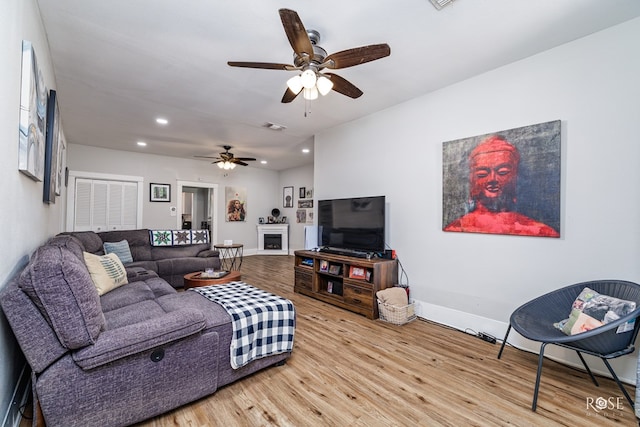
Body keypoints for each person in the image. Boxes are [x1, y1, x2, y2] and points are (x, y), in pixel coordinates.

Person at [444, 135, 559, 237]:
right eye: (482, 174)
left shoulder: (540, 231)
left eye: (502, 172)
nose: (492, 179)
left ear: (515, 176)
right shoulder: (457, 228)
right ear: (473, 180)